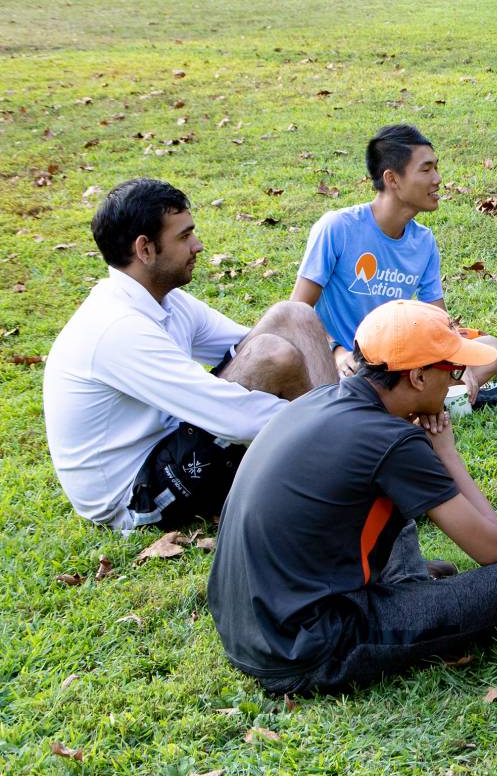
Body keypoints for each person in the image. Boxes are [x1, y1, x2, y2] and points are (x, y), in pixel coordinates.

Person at [205, 300, 497, 695]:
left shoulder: (319, 400)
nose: (456, 382)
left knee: (395, 506)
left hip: (248, 630)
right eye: (452, 371)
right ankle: (409, 591)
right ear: (418, 377)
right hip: (313, 649)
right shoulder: (392, 441)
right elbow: (496, 550)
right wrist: (446, 452)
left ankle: (408, 587)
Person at [43, 178, 335, 532]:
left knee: (294, 316)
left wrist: (347, 391)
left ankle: (344, 444)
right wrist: (335, 425)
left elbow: (263, 341)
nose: (197, 245)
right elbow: (236, 418)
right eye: (184, 237)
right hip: (139, 497)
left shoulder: (164, 301)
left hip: (175, 447)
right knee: (275, 355)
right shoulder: (116, 328)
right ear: (145, 249)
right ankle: (344, 457)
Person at [292, 123, 497, 405]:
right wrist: (335, 352)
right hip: (345, 365)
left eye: (436, 168)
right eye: (426, 169)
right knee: (350, 384)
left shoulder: (423, 241)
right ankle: (448, 401)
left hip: (396, 361)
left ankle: (446, 397)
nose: (438, 179)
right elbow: (297, 312)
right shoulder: (337, 228)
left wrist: (460, 365)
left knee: (492, 350)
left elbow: (438, 320)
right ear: (392, 179)